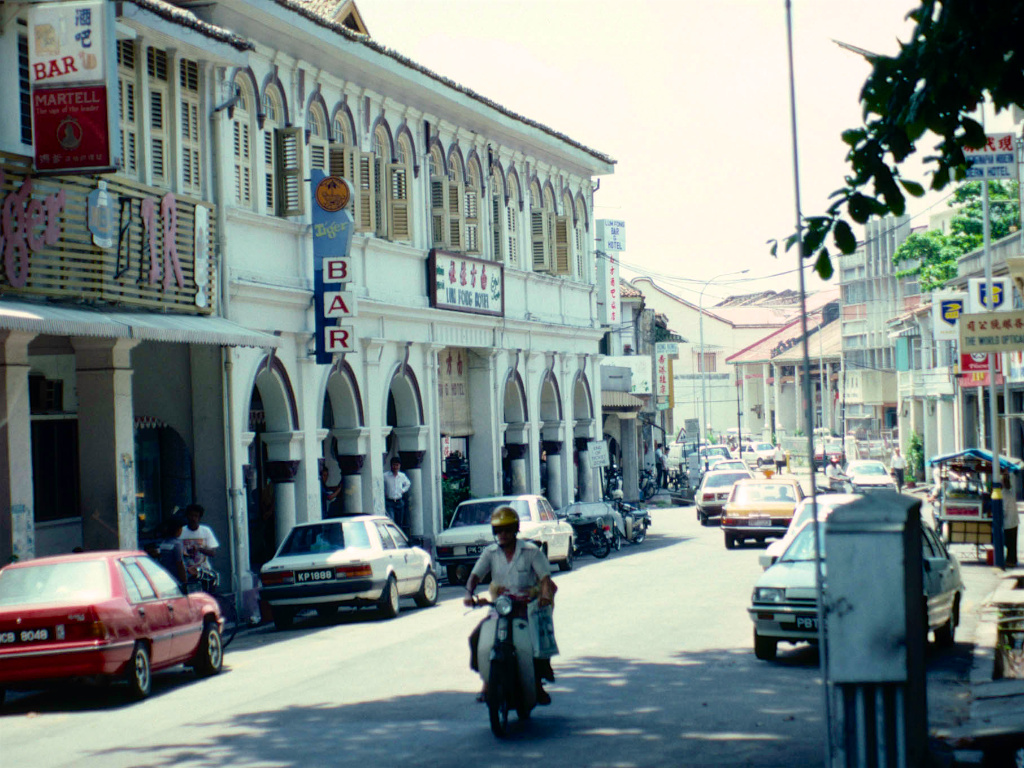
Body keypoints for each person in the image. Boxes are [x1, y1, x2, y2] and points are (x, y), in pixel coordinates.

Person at [464, 506, 557, 705]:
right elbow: (475, 575)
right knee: (476, 640)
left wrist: (545, 595)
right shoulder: (490, 553)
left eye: (507, 529)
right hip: (501, 608)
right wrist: (468, 593)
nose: (503, 534)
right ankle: (487, 681)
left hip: (527, 607)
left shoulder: (531, 552)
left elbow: (545, 578)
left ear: (515, 530)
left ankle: (537, 684)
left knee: (535, 643)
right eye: (499, 530)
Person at [179, 503, 219, 589]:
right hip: (186, 572)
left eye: (196, 516)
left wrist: (199, 549)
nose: (193, 518)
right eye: (191, 515)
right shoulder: (181, 531)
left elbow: (213, 553)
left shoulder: (206, 531)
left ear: (199, 518)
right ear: (187, 516)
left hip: (203, 572)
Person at [383, 457, 411, 528]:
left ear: (399, 466)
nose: (395, 467)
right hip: (390, 502)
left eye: (397, 465)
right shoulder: (385, 476)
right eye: (394, 465)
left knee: (399, 522)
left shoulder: (402, 476)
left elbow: (408, 484)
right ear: (391, 465)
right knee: (391, 520)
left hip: (399, 501)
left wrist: (402, 490)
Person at [1004, 472, 1019, 568]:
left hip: (1009, 522)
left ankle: (1010, 560)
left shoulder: (1004, 494)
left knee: (1009, 543)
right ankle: (1012, 560)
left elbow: (1003, 510)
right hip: (1013, 521)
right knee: (1012, 543)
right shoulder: (1008, 493)